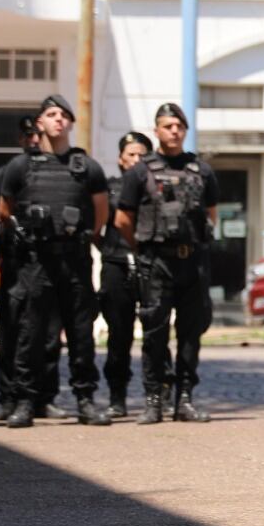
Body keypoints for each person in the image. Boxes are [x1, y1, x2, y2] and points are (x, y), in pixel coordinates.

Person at [0, 96, 112, 429]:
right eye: (51, 114)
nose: (58, 120)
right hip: (35, 260)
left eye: (64, 115)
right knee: (29, 333)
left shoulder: (86, 167)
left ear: (71, 124)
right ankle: (25, 400)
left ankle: (86, 400)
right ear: (40, 123)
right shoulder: (22, 166)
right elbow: (4, 210)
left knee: (80, 332)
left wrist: (86, 236)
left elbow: (100, 210)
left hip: (73, 259)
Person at [114, 103, 220, 424]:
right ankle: (153, 400)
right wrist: (145, 248)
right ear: (156, 130)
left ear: (185, 131)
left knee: (190, 334)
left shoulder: (201, 171)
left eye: (179, 126)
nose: (174, 131)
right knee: (154, 333)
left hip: (192, 264)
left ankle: (184, 400)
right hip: (156, 264)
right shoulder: (139, 171)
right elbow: (122, 220)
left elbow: (211, 215)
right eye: (167, 125)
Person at [0, 117, 50, 421]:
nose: (34, 140)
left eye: (38, 134)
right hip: (16, 261)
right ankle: (8, 397)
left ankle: (42, 397)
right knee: (12, 329)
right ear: (20, 138)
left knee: (46, 334)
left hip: (47, 262)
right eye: (28, 135)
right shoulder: (10, 170)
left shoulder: (54, 169)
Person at [101, 131, 152, 417]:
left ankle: (156, 394)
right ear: (121, 159)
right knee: (118, 333)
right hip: (117, 263)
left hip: (149, 264)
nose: (136, 160)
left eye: (142, 155)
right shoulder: (110, 188)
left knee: (154, 333)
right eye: (131, 154)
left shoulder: (156, 188)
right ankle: (116, 396)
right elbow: (98, 226)